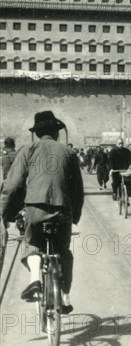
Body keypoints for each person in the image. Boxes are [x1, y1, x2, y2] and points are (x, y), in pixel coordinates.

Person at [0, 111, 84, 313]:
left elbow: (12, 185)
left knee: (32, 243)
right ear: (56, 133)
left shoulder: (27, 150)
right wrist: (76, 215)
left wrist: (3, 213)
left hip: (35, 209)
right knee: (64, 251)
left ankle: (35, 280)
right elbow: (77, 190)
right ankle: (65, 297)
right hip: (62, 211)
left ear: (37, 133)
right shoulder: (69, 153)